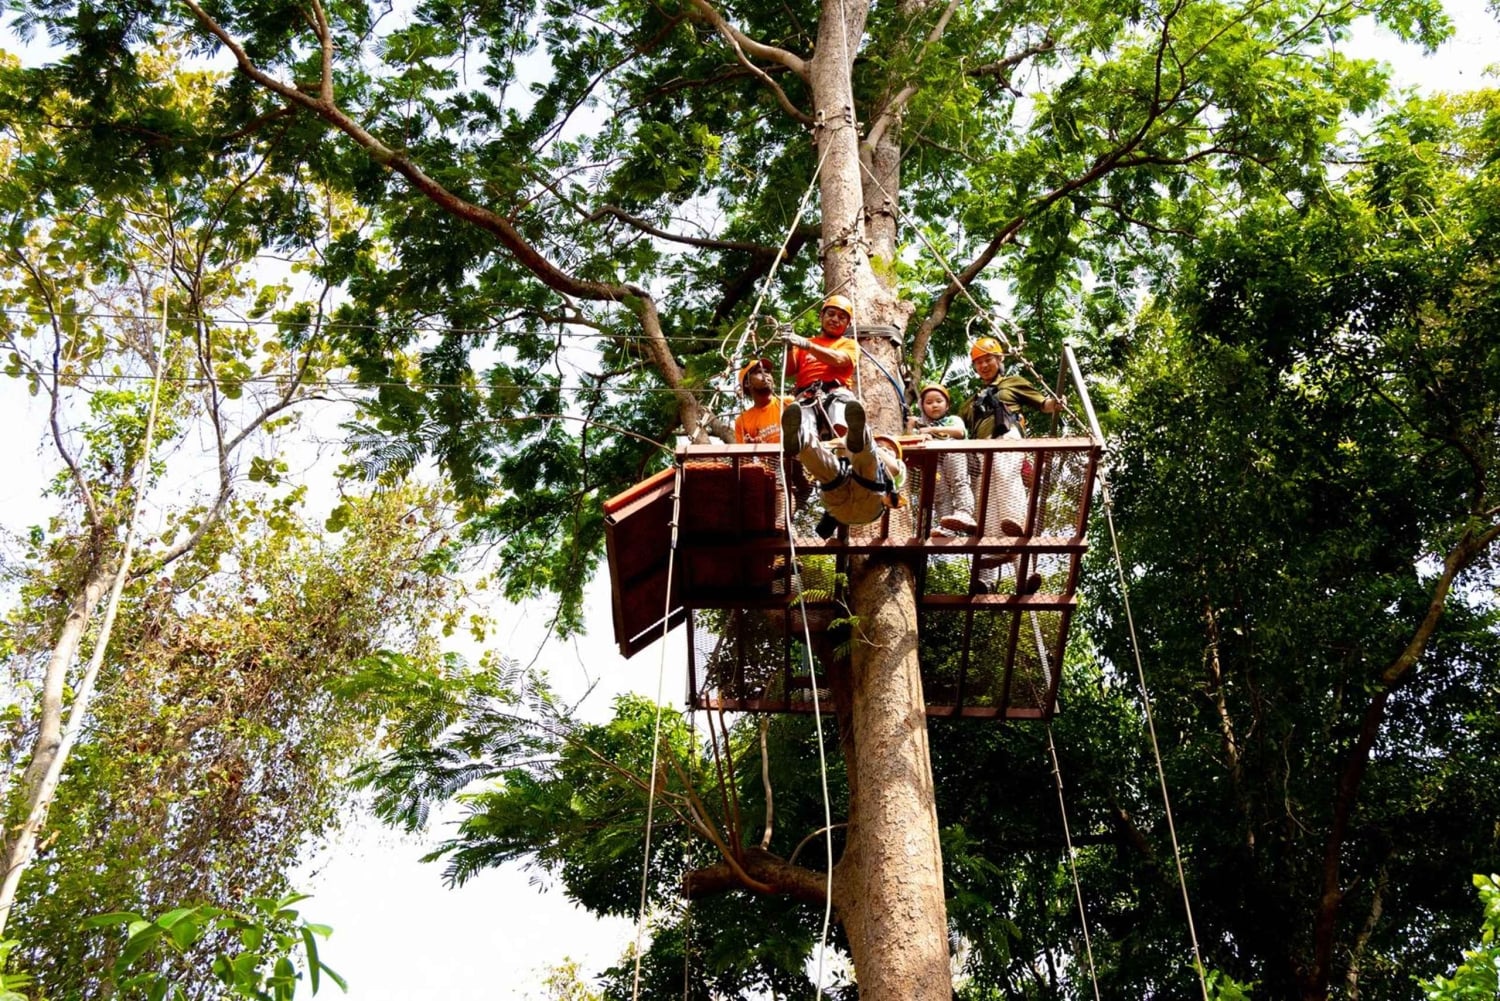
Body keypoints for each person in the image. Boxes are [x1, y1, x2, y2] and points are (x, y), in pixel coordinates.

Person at [959, 337, 1062, 593]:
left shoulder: (1012, 383)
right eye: (979, 362)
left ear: (1000, 360)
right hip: (980, 451)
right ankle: (985, 579)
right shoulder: (970, 402)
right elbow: (954, 427)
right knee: (986, 509)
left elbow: (1043, 403)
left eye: (988, 360)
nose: (984, 365)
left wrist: (1056, 404)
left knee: (1007, 483)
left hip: (1005, 438)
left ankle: (1024, 574)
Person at [781, 398, 905, 536]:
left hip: (870, 500)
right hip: (840, 505)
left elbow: (893, 468)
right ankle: (802, 440)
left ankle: (864, 438)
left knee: (867, 461)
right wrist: (845, 446)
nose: (884, 448)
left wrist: (872, 448)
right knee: (828, 468)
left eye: (889, 448)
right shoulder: (854, 457)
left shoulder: (898, 466)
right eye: (880, 444)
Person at [779, 294, 860, 444]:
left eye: (842, 317)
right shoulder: (805, 343)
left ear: (848, 325)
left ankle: (846, 439)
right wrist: (790, 347)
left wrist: (807, 346)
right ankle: (804, 443)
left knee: (840, 405)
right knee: (804, 423)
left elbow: (839, 359)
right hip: (807, 395)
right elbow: (789, 371)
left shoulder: (849, 344)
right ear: (821, 316)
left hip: (835, 391)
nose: (835, 319)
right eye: (831, 314)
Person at [906, 382, 977, 535]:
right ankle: (948, 526)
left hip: (953, 454)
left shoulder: (953, 420)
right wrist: (911, 428)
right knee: (939, 493)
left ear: (947, 405)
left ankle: (965, 513)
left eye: (939, 401)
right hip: (934, 463)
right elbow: (912, 444)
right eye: (929, 402)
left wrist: (933, 429)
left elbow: (959, 432)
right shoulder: (922, 427)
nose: (934, 405)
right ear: (923, 407)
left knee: (959, 482)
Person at [734, 357, 790, 444]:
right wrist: (752, 448)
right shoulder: (742, 421)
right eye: (759, 372)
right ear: (747, 383)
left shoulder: (788, 403)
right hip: (771, 458)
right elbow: (743, 457)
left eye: (767, 372)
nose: (766, 374)